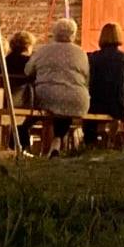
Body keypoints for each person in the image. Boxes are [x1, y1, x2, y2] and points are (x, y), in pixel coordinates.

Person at [28, 18, 91, 152]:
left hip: (47, 95)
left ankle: (24, 138)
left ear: (54, 33)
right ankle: (56, 141)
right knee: (64, 105)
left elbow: (28, 71)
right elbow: (87, 77)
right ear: (73, 34)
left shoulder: (43, 50)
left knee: (54, 103)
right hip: (77, 98)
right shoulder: (81, 53)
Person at [87, 22, 124, 139]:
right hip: (119, 104)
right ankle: (112, 139)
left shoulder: (93, 58)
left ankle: (96, 140)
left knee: (91, 112)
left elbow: (90, 81)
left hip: (97, 103)